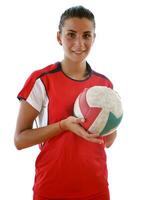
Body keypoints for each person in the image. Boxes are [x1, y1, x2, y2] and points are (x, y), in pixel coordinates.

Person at [14, 5, 117, 200]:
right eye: (71, 34)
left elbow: (108, 141)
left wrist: (111, 113)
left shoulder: (104, 85)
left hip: (96, 188)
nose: (79, 43)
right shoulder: (42, 80)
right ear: (59, 37)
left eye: (87, 35)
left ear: (94, 38)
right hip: (51, 188)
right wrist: (63, 126)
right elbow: (20, 140)